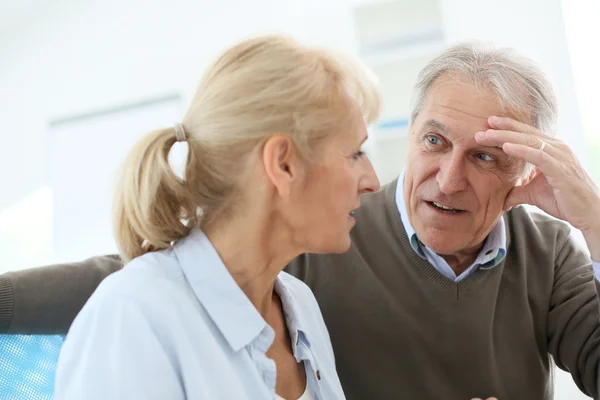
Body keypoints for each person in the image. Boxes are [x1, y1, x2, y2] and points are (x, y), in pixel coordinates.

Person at [1, 42, 599, 400]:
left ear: (522, 172)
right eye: (434, 141)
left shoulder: (297, 305)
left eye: (485, 157)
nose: (448, 179)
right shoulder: (323, 241)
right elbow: (159, 277)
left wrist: (594, 220)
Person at [50, 34, 382, 399]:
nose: (372, 182)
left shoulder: (298, 305)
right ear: (283, 163)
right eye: (355, 153)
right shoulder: (132, 318)